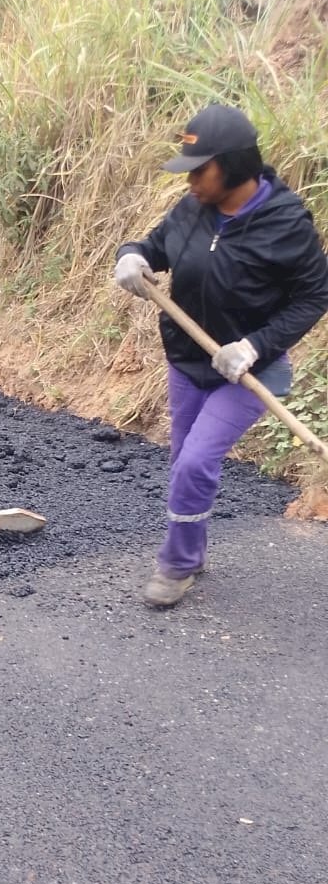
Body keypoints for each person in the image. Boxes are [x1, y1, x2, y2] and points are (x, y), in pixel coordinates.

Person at [115, 102, 328, 607]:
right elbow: (155, 246)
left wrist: (255, 346)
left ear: (232, 166)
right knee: (182, 462)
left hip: (248, 372)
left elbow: (315, 296)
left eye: (200, 170)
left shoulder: (285, 223)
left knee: (194, 464)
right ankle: (192, 549)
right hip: (188, 361)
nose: (190, 181)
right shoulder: (192, 208)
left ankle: (178, 564)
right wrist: (133, 255)